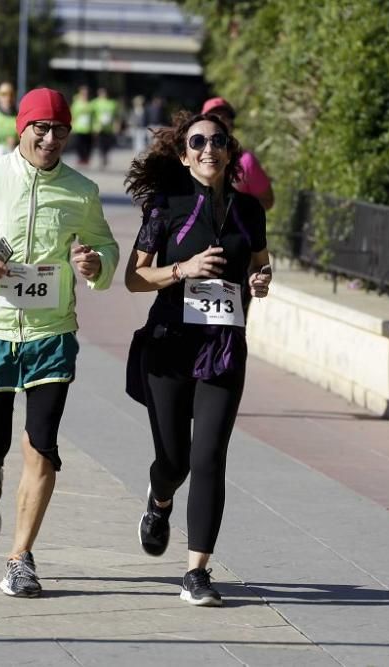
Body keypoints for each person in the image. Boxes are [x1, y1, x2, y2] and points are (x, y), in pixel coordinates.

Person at [0, 88, 120, 598]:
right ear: (22, 128)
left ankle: (20, 557)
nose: (50, 138)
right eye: (41, 127)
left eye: (60, 130)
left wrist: (97, 265)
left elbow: (104, 244)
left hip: (51, 334)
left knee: (42, 445)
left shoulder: (81, 191)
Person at [123, 111, 272, 606]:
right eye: (199, 142)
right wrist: (182, 268)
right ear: (185, 154)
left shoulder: (249, 211)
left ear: (230, 152)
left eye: (219, 141)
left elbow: (260, 262)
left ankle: (196, 573)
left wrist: (260, 281)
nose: (209, 148)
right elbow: (134, 277)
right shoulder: (167, 207)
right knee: (175, 459)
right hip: (169, 344)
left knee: (209, 457)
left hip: (224, 346)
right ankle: (159, 498)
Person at [201, 97, 275, 211]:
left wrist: (240, 207)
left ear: (231, 125)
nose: (219, 123)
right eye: (213, 118)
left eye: (224, 118)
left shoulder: (246, 162)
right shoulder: (192, 160)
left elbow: (267, 200)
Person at [90, 87, 119, 168]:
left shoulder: (112, 103)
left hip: (109, 128)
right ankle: (102, 157)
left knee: (108, 144)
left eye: (104, 93)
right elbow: (90, 113)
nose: (103, 94)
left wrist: (116, 125)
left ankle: (105, 156)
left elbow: (116, 116)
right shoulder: (95, 103)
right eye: (101, 93)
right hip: (98, 128)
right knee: (100, 144)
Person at [70, 85, 93, 166]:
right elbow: (72, 115)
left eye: (86, 93)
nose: (85, 94)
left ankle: (86, 158)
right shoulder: (76, 103)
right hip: (79, 128)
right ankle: (81, 158)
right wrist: (72, 124)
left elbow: (94, 116)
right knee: (79, 144)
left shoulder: (91, 103)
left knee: (88, 144)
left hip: (89, 128)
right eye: (83, 93)